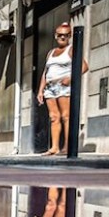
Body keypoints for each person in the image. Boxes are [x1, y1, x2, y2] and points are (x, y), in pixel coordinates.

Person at [37, 22, 88, 155]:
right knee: (54, 117)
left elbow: (84, 66)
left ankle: (67, 146)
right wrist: (40, 90)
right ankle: (54, 147)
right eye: (60, 35)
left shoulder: (71, 50)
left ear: (70, 36)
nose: (62, 37)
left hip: (63, 86)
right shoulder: (51, 53)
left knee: (66, 116)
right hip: (50, 87)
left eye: (66, 35)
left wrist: (70, 78)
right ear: (55, 36)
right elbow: (45, 72)